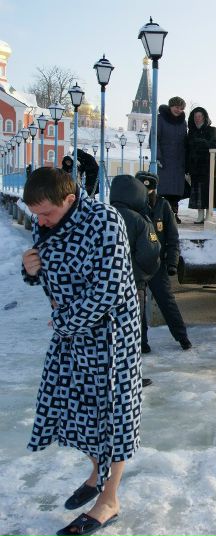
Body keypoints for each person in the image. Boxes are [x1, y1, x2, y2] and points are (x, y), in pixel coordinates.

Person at [20, 167, 142, 536]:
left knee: (113, 413)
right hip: (70, 334)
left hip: (111, 337)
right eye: (35, 215)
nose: (40, 221)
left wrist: (64, 321)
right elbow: (48, 271)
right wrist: (29, 270)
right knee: (75, 409)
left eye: (46, 214)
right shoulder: (45, 222)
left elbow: (110, 287)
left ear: (70, 200)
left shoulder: (105, 222)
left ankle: (109, 498)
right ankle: (95, 472)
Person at [109, 174, 161, 380]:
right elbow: (151, 253)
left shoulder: (105, 215)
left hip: (106, 288)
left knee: (111, 332)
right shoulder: (140, 220)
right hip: (133, 286)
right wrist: (142, 275)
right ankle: (129, 377)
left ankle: (110, 375)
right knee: (131, 330)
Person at [136, 171, 192, 352]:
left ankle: (182, 338)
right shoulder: (132, 207)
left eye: (150, 191)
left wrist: (172, 263)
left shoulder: (163, 206)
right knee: (138, 307)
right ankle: (141, 343)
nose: (146, 194)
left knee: (167, 303)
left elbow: (172, 237)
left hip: (158, 266)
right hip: (136, 266)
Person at [186, 106, 216, 224]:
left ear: (204, 117)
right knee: (198, 194)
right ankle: (200, 215)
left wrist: (200, 142)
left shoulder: (212, 130)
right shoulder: (191, 132)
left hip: (209, 166)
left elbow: (214, 144)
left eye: (200, 116)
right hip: (195, 167)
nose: (197, 119)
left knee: (209, 192)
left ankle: (209, 216)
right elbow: (188, 149)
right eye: (195, 116)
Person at [156, 96, 188, 222]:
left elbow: (185, 141)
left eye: (181, 108)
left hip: (178, 162)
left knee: (176, 192)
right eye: (176, 107)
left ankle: (173, 214)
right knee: (163, 190)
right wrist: (158, 157)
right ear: (170, 106)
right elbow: (154, 139)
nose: (178, 110)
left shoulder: (182, 122)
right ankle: (162, 215)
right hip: (164, 161)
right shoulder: (160, 119)